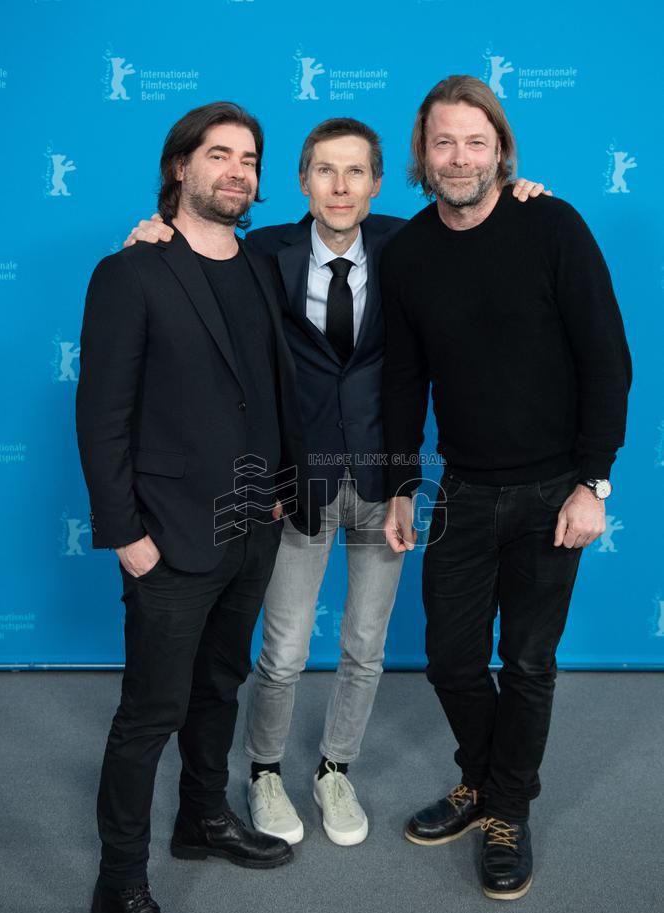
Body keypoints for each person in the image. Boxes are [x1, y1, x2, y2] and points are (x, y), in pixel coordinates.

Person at [124, 118, 547, 849]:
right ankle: (262, 773)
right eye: (325, 170)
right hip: (298, 484)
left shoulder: (410, 245)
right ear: (301, 181)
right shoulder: (263, 253)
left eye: (356, 172)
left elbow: (478, 219)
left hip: (384, 486)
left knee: (365, 644)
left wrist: (520, 193)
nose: (341, 186)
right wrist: (153, 231)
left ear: (378, 183)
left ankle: (334, 768)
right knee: (283, 648)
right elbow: (196, 249)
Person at [76, 101, 319, 913]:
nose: (238, 172)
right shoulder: (131, 272)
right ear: (181, 167)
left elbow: (369, 225)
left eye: (250, 159)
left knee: (221, 685)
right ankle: (121, 888)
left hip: (254, 524)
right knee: (150, 714)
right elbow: (101, 417)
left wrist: (512, 190)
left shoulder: (257, 260)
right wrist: (124, 536)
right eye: (219, 156)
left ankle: (202, 820)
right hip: (168, 539)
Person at [381, 76, 631, 900]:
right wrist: (396, 487)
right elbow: (404, 379)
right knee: (452, 660)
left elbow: (607, 359)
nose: (460, 157)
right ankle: (486, 781)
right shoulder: (410, 252)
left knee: (526, 662)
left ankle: (505, 812)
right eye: (444, 142)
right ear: (423, 153)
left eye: (475, 141)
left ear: (501, 150)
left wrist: (594, 483)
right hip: (461, 490)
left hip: (554, 491)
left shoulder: (551, 223)